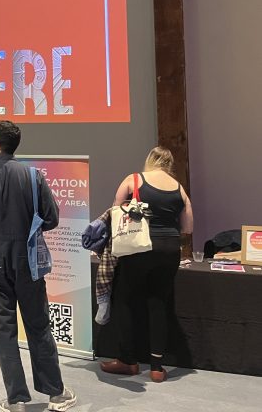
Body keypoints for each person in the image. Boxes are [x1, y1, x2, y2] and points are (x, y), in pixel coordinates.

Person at [0, 121, 76, 412]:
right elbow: (51, 218)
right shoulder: (33, 176)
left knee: (3, 330)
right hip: (28, 261)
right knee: (38, 326)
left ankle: (16, 400)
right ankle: (55, 394)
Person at [100, 146, 194, 383]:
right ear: (169, 164)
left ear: (149, 161)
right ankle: (156, 367)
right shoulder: (179, 188)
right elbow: (188, 228)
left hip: (138, 249)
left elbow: (114, 214)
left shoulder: (133, 180)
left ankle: (127, 361)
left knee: (124, 300)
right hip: (170, 249)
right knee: (159, 302)